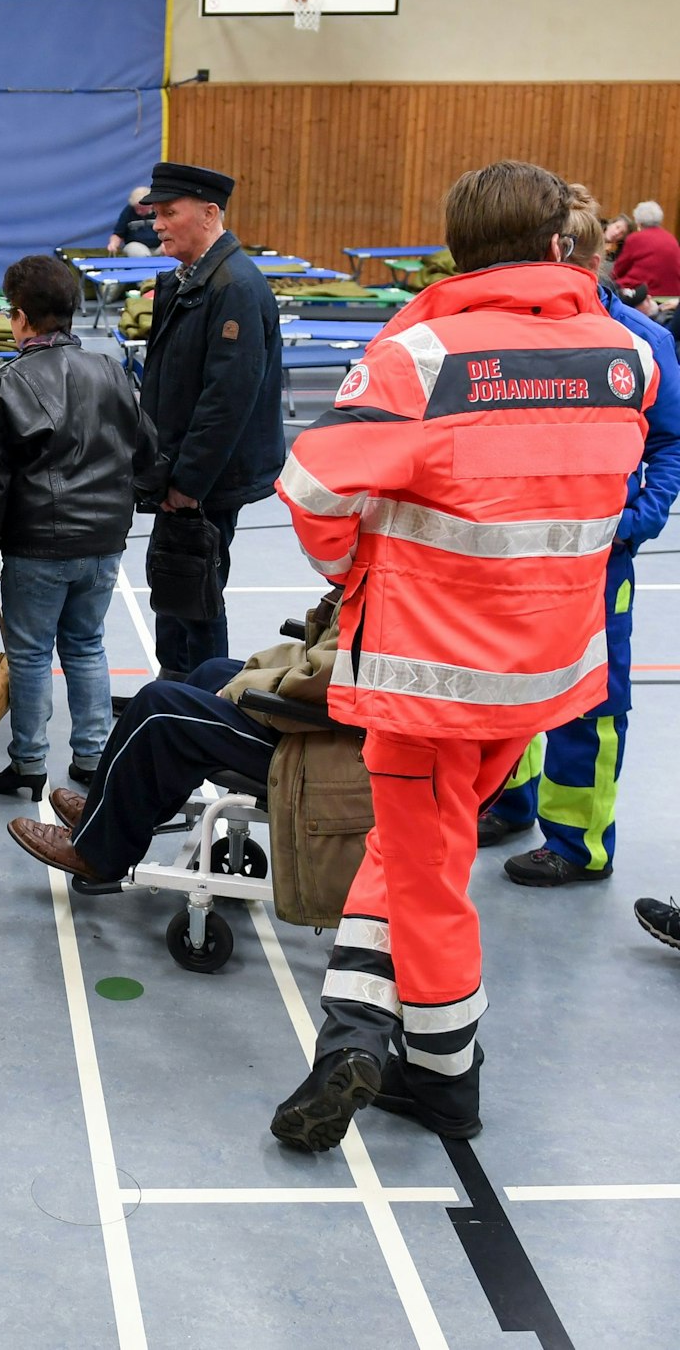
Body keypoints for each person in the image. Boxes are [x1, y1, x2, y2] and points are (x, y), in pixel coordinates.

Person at [269, 161, 653, 1153]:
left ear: (453, 244)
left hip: (422, 674)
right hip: (544, 671)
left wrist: (356, 570)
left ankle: (443, 1077)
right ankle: (353, 1037)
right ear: (557, 245)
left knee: (425, 874)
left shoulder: (417, 356)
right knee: (406, 852)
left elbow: (310, 485)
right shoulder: (623, 356)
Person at [478, 185, 680, 884]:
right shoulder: (518, 333)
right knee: (510, 677)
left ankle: (578, 844)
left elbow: (671, 441)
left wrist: (639, 521)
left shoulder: (643, 344)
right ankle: (512, 799)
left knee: (592, 702)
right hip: (519, 551)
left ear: (583, 260)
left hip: (600, 562)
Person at [0, 254, 152, 800]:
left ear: (19, 317)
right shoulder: (112, 371)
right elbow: (148, 448)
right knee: (87, 646)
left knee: (30, 654)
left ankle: (28, 764)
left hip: (37, 545)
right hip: (104, 541)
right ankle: (91, 757)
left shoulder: (6, 382)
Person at [4, 598, 350, 884]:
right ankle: (115, 811)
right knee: (210, 671)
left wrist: (244, 688)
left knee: (159, 707)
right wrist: (244, 679)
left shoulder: (385, 605)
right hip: (314, 720)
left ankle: (98, 854)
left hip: (318, 743)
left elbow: (320, 682)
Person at [136, 162, 285, 678]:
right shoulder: (191, 280)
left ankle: (200, 702)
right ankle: (173, 693)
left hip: (202, 484)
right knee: (174, 594)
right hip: (177, 474)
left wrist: (188, 485)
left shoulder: (234, 287)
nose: (157, 223)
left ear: (208, 213)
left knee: (195, 599)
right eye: (156, 213)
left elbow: (226, 402)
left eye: (168, 212)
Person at [612, 199, 680, 295]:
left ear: (638, 221)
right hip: (674, 292)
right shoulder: (671, 238)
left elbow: (619, 270)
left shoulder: (635, 238)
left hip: (647, 291)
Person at [106, 185, 160, 256]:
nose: (139, 212)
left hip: (159, 248)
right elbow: (118, 234)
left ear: (151, 205)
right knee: (139, 252)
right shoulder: (128, 211)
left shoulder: (160, 211)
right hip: (136, 247)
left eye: (142, 208)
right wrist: (113, 244)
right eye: (136, 208)